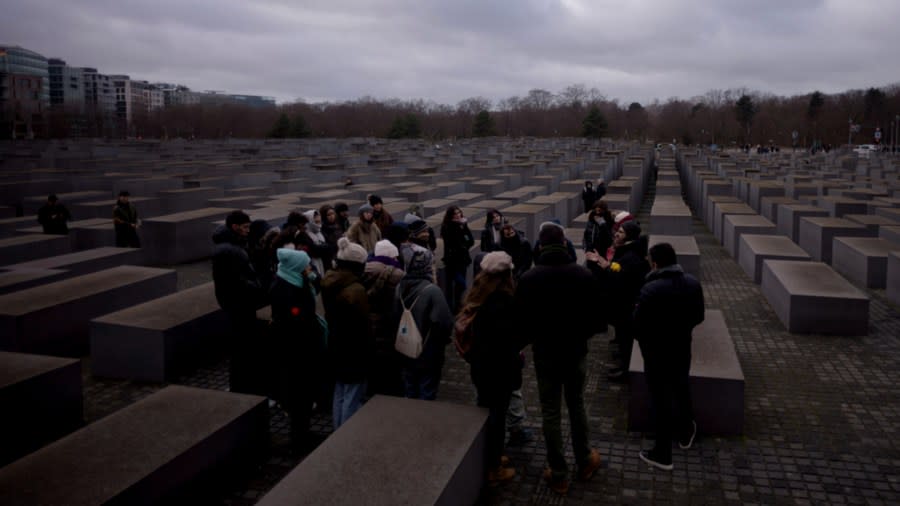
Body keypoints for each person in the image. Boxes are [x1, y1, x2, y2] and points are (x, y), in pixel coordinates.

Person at [514, 224, 603, 495]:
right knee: (577, 406)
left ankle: (559, 473)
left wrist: (529, 341)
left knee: (550, 412)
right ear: (564, 243)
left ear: (540, 246)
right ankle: (585, 460)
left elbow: (522, 321)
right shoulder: (584, 275)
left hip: (545, 355)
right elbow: (597, 321)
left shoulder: (528, 278)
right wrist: (579, 336)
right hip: (575, 352)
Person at [634, 243, 705, 471]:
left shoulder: (650, 289)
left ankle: (663, 454)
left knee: (660, 399)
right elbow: (699, 316)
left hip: (655, 351)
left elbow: (637, 324)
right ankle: (686, 431)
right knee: (681, 386)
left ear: (654, 263)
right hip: (682, 346)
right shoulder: (693, 284)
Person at [457, 251, 521, 485]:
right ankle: (493, 468)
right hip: (500, 370)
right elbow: (511, 341)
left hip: (480, 368)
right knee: (496, 417)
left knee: (484, 412)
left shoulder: (478, 294)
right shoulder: (504, 302)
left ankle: (488, 456)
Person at [269, 248, 327, 452]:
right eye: (306, 265)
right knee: (298, 395)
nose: (310, 268)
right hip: (295, 353)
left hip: (302, 349)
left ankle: (303, 432)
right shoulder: (286, 290)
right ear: (296, 268)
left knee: (303, 395)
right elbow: (297, 321)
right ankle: (298, 439)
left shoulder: (294, 280)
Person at [586, 221, 650, 381]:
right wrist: (605, 264)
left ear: (628, 236)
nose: (616, 234)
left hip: (626, 304)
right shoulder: (626, 252)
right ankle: (623, 360)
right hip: (621, 304)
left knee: (626, 337)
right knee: (622, 335)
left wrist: (606, 267)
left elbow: (622, 279)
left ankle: (626, 370)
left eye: (620, 232)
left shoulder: (631, 256)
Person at [212, 210, 266, 394]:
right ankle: (242, 387)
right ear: (234, 227)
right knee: (242, 349)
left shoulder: (231, 246)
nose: (248, 231)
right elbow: (237, 282)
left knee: (244, 348)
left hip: (238, 304)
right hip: (239, 305)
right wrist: (258, 285)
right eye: (245, 227)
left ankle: (244, 385)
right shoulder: (229, 251)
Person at [321, 238, 373, 430]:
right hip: (354, 350)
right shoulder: (355, 291)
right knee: (352, 395)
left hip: (336, 344)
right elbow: (363, 326)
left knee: (340, 392)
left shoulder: (330, 280)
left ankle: (337, 428)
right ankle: (345, 434)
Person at [395, 244, 454, 400]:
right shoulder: (432, 291)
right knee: (426, 393)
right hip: (428, 354)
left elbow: (394, 315)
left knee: (410, 390)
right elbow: (445, 323)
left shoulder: (399, 287)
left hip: (405, 349)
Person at [362, 239, 405, 397]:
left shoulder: (363, 269)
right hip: (388, 322)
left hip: (368, 321)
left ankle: (372, 389)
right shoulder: (397, 274)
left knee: (373, 359)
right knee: (388, 360)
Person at [439, 206, 474, 313]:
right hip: (452, 262)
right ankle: (452, 308)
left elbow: (470, 241)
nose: (458, 215)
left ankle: (458, 306)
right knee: (457, 285)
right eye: (455, 214)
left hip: (462, 261)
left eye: (459, 212)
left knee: (460, 287)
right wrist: (460, 228)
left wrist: (463, 227)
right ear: (450, 216)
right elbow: (455, 243)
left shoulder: (462, 225)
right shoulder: (447, 227)